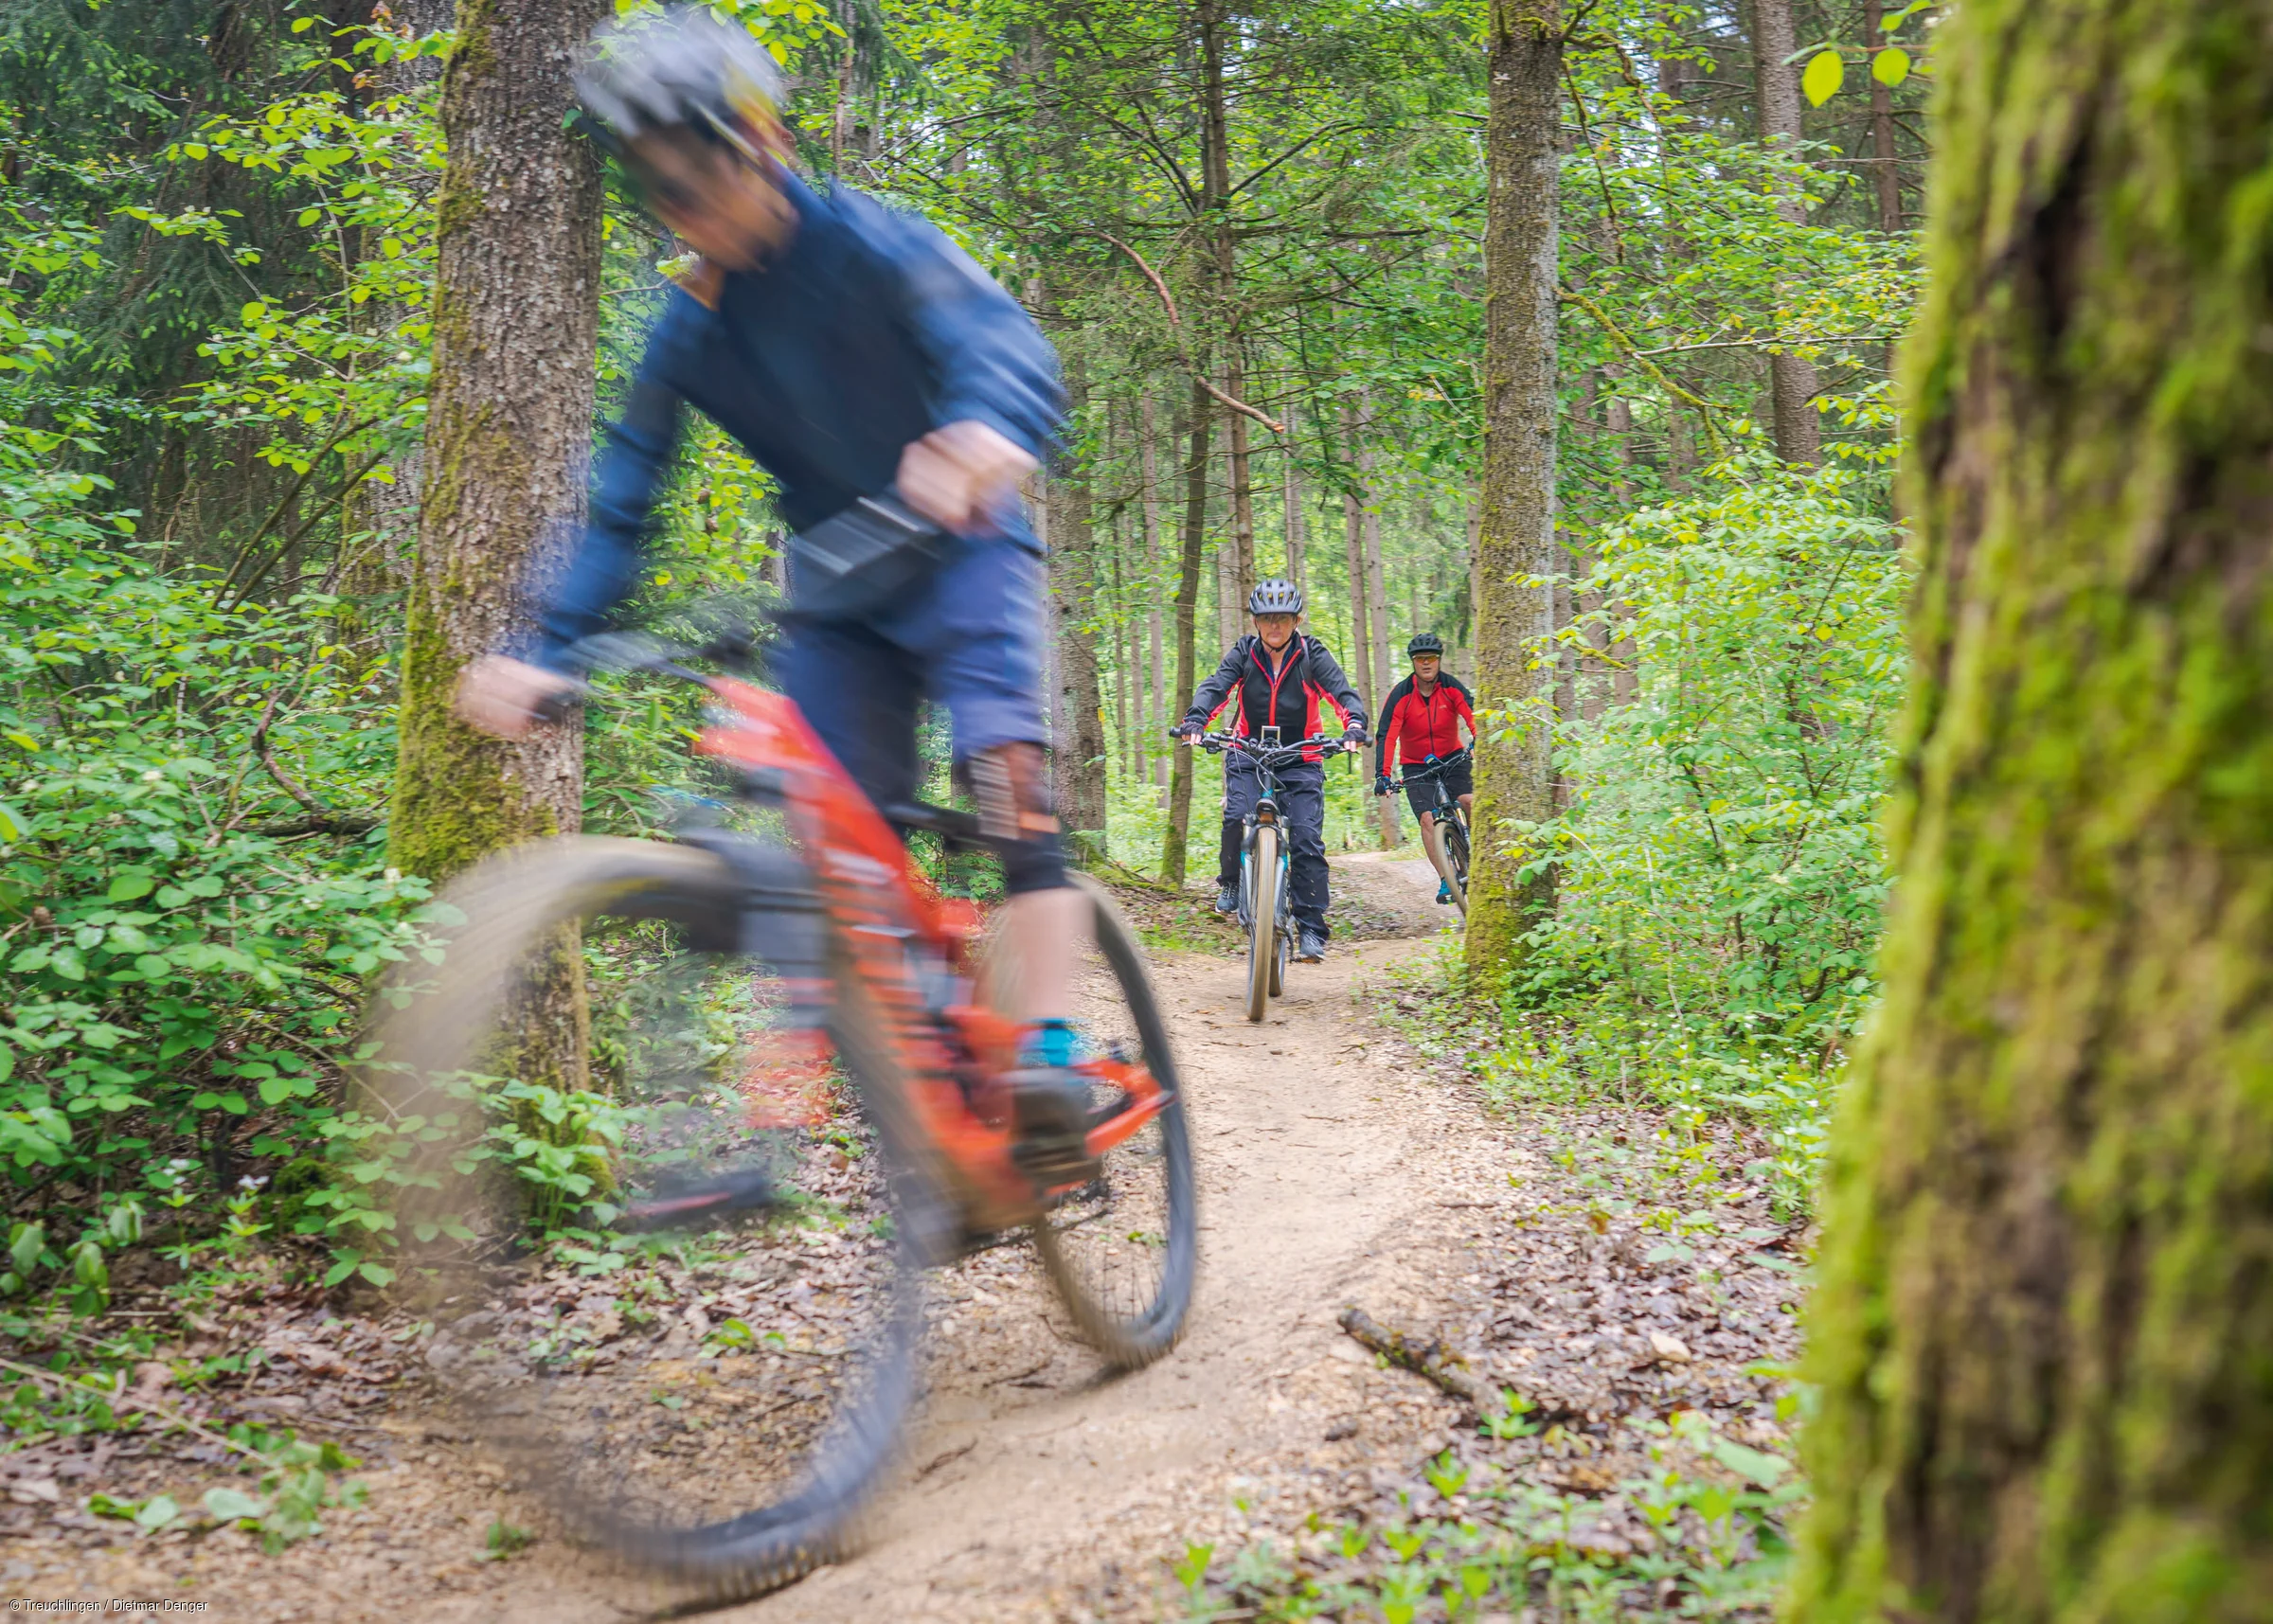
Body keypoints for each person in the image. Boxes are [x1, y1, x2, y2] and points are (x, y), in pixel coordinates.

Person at [448, 8, 1096, 1179]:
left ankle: (1049, 1048)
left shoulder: (874, 241)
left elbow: (998, 341)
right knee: (830, 847)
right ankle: (928, 1115)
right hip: (837, 597)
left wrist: (986, 432)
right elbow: (623, 497)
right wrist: (548, 645)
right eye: (659, 191)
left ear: (763, 143)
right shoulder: (692, 326)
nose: (684, 212)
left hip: (963, 550)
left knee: (1009, 785)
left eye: (697, 179)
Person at [1171, 579, 1367, 963]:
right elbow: (1217, 686)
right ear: (1255, 622)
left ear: (1297, 621)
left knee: (1307, 839)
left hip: (1301, 754)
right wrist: (1196, 720)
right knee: (1235, 816)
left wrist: (1355, 724)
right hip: (1249, 750)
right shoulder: (1244, 653)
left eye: (1282, 618)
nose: (1274, 625)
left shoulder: (1311, 654)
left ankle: (1311, 929)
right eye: (1266, 618)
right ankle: (1231, 883)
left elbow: (1340, 691)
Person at [1373, 633, 1476, 904]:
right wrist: (1383, 775)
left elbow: (1473, 715)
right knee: (1428, 819)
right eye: (1420, 659)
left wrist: (1478, 740)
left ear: (1439, 660)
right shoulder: (1401, 695)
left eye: (1431, 658)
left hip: (1453, 758)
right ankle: (1446, 878)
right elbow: (1387, 735)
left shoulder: (1451, 687)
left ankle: (1482, 853)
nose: (1426, 663)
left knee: (1469, 800)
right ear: (1413, 662)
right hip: (1415, 765)